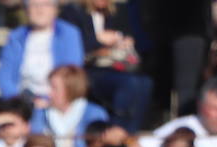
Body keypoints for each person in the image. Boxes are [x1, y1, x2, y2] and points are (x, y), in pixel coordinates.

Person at [59, 0, 151, 132]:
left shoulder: (115, 12)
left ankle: (130, 133)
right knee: (129, 84)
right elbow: (75, 47)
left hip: (114, 66)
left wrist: (124, 41)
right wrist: (99, 41)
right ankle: (117, 131)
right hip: (88, 69)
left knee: (145, 82)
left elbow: (127, 36)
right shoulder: (72, 13)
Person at [31, 64, 109, 147]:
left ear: (70, 89)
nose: (49, 93)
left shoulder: (94, 113)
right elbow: (35, 140)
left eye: (54, 88)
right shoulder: (42, 113)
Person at [0, 0, 84, 102]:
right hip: (22, 102)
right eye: (34, 5)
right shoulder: (15, 37)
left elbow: (72, 74)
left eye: (46, 4)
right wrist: (20, 101)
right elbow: (4, 77)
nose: (40, 10)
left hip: (59, 100)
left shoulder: (69, 34)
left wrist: (50, 100)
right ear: (26, 9)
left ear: (55, 9)